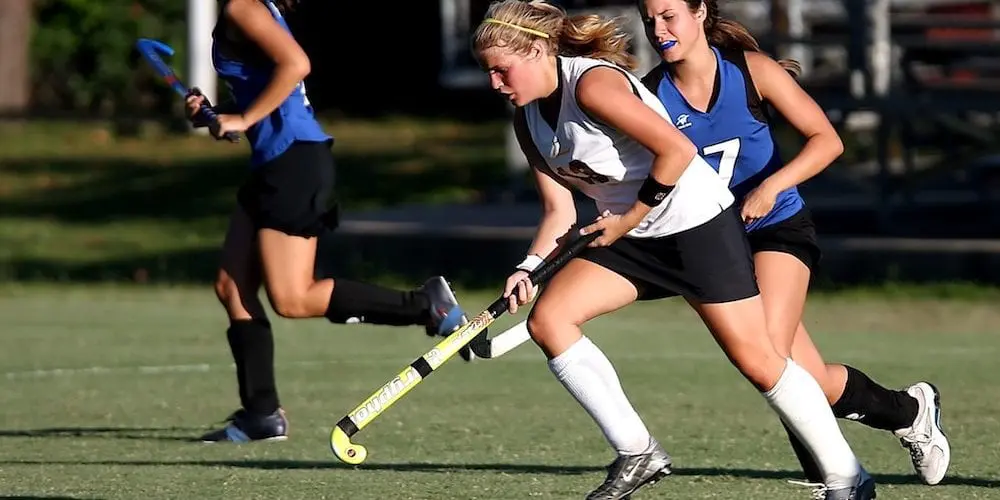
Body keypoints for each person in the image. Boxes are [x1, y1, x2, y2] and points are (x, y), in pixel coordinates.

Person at [474, 1, 874, 498]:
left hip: (695, 225)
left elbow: (678, 151)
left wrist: (627, 220)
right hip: (632, 234)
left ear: (537, 50)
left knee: (759, 360)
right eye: (488, 71)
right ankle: (637, 451)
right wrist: (529, 267)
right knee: (549, 320)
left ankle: (847, 476)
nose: (495, 83)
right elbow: (560, 211)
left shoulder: (593, 85)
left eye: (501, 69)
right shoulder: (528, 119)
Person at [636, 0, 950, 486]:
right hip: (715, 244)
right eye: (650, 18)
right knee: (804, 378)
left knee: (770, 356)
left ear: (700, 13)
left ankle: (836, 477)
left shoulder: (751, 72)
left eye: (669, 15)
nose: (658, 29)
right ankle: (908, 411)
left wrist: (771, 186)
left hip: (777, 227)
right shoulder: (650, 95)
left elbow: (827, 139)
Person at [188, 0, 470, 443]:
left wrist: (243, 117)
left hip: (292, 163)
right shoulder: (249, 7)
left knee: (293, 299)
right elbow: (268, 82)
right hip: (274, 161)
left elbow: (296, 65)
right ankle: (261, 414)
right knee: (231, 286)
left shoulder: (244, 7)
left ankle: (424, 306)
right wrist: (218, 110)